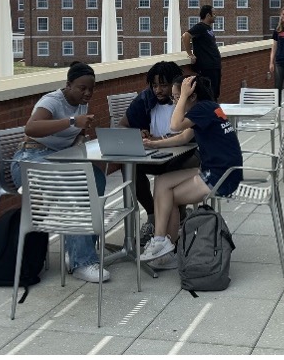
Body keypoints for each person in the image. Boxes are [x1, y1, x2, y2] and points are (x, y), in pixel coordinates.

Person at [11, 62, 108, 283]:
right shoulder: (52, 101)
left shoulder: (82, 104)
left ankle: (77, 251)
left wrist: (81, 137)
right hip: (30, 160)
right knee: (74, 187)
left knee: (97, 179)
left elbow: (71, 137)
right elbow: (31, 128)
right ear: (68, 85)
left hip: (57, 158)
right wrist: (73, 121)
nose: (87, 93)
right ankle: (82, 262)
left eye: (91, 89)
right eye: (82, 88)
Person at [141, 75, 243, 268]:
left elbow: (174, 126)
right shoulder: (208, 108)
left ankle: (162, 243)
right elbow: (182, 137)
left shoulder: (202, 108)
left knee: (167, 195)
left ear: (192, 96)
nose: (174, 102)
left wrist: (184, 95)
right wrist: (154, 143)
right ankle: (164, 245)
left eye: (177, 97)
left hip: (221, 176)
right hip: (220, 169)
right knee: (162, 182)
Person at [119, 61, 200, 244]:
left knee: (170, 172)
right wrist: (137, 133)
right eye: (154, 85)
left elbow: (187, 138)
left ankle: (175, 215)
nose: (158, 90)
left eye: (163, 85)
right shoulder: (145, 99)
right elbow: (122, 126)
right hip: (155, 155)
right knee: (130, 168)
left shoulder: (187, 99)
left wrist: (160, 141)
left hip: (186, 154)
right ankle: (153, 214)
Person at [183, 5, 222, 99]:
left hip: (214, 66)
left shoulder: (208, 28)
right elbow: (185, 36)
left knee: (215, 93)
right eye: (214, 14)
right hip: (207, 67)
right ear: (208, 15)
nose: (216, 16)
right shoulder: (200, 27)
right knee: (209, 93)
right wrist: (190, 54)